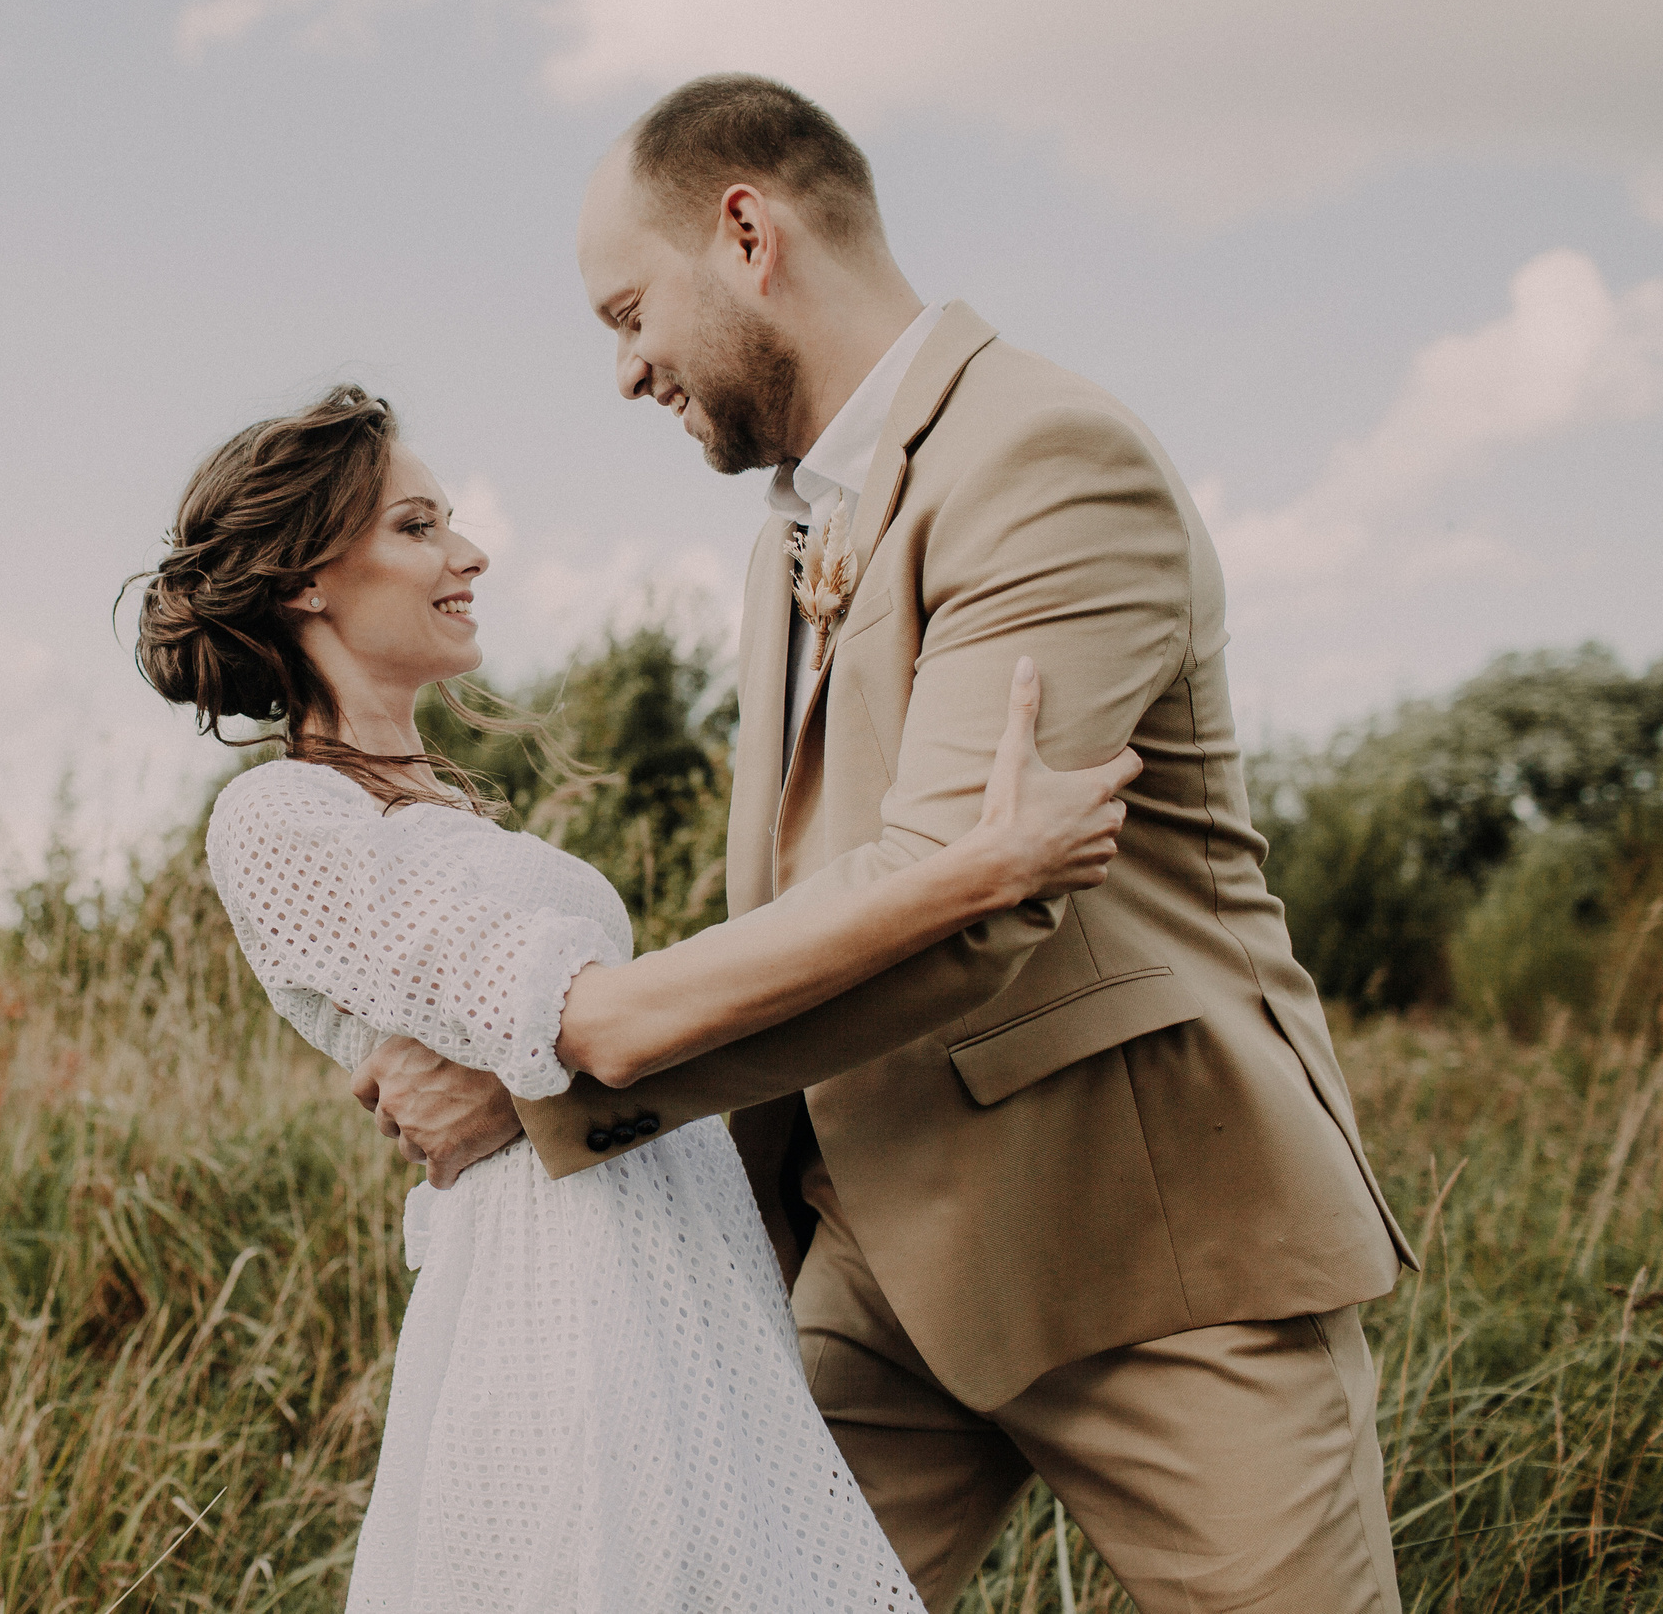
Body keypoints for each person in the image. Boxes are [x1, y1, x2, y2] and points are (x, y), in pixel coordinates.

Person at [356, 75, 1414, 1613]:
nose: (625, 367)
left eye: (626, 309)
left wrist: (549, 1076)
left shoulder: (1048, 457)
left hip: (1153, 1251)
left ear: (746, 231)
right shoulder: (791, 532)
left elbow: (967, 895)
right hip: (872, 1251)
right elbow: (817, 892)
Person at [130, 381, 1139, 1613]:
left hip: (677, 1267)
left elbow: (572, 1038)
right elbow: (597, 1024)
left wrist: (518, 1079)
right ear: (303, 582)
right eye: (416, 526)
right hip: (556, 1291)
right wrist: (972, 872)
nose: (467, 552)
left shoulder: (445, 809)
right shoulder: (282, 816)